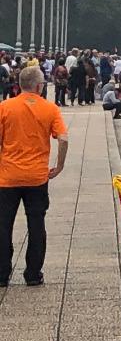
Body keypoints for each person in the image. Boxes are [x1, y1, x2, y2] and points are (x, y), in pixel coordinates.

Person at [0, 65, 69, 286]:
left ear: (19, 85)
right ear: (39, 86)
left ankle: (2, 274)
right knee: (36, 224)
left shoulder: (5, 107)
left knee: (3, 225)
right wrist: (58, 166)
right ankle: (33, 273)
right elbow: (64, 139)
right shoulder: (50, 109)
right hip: (37, 177)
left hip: (7, 177)